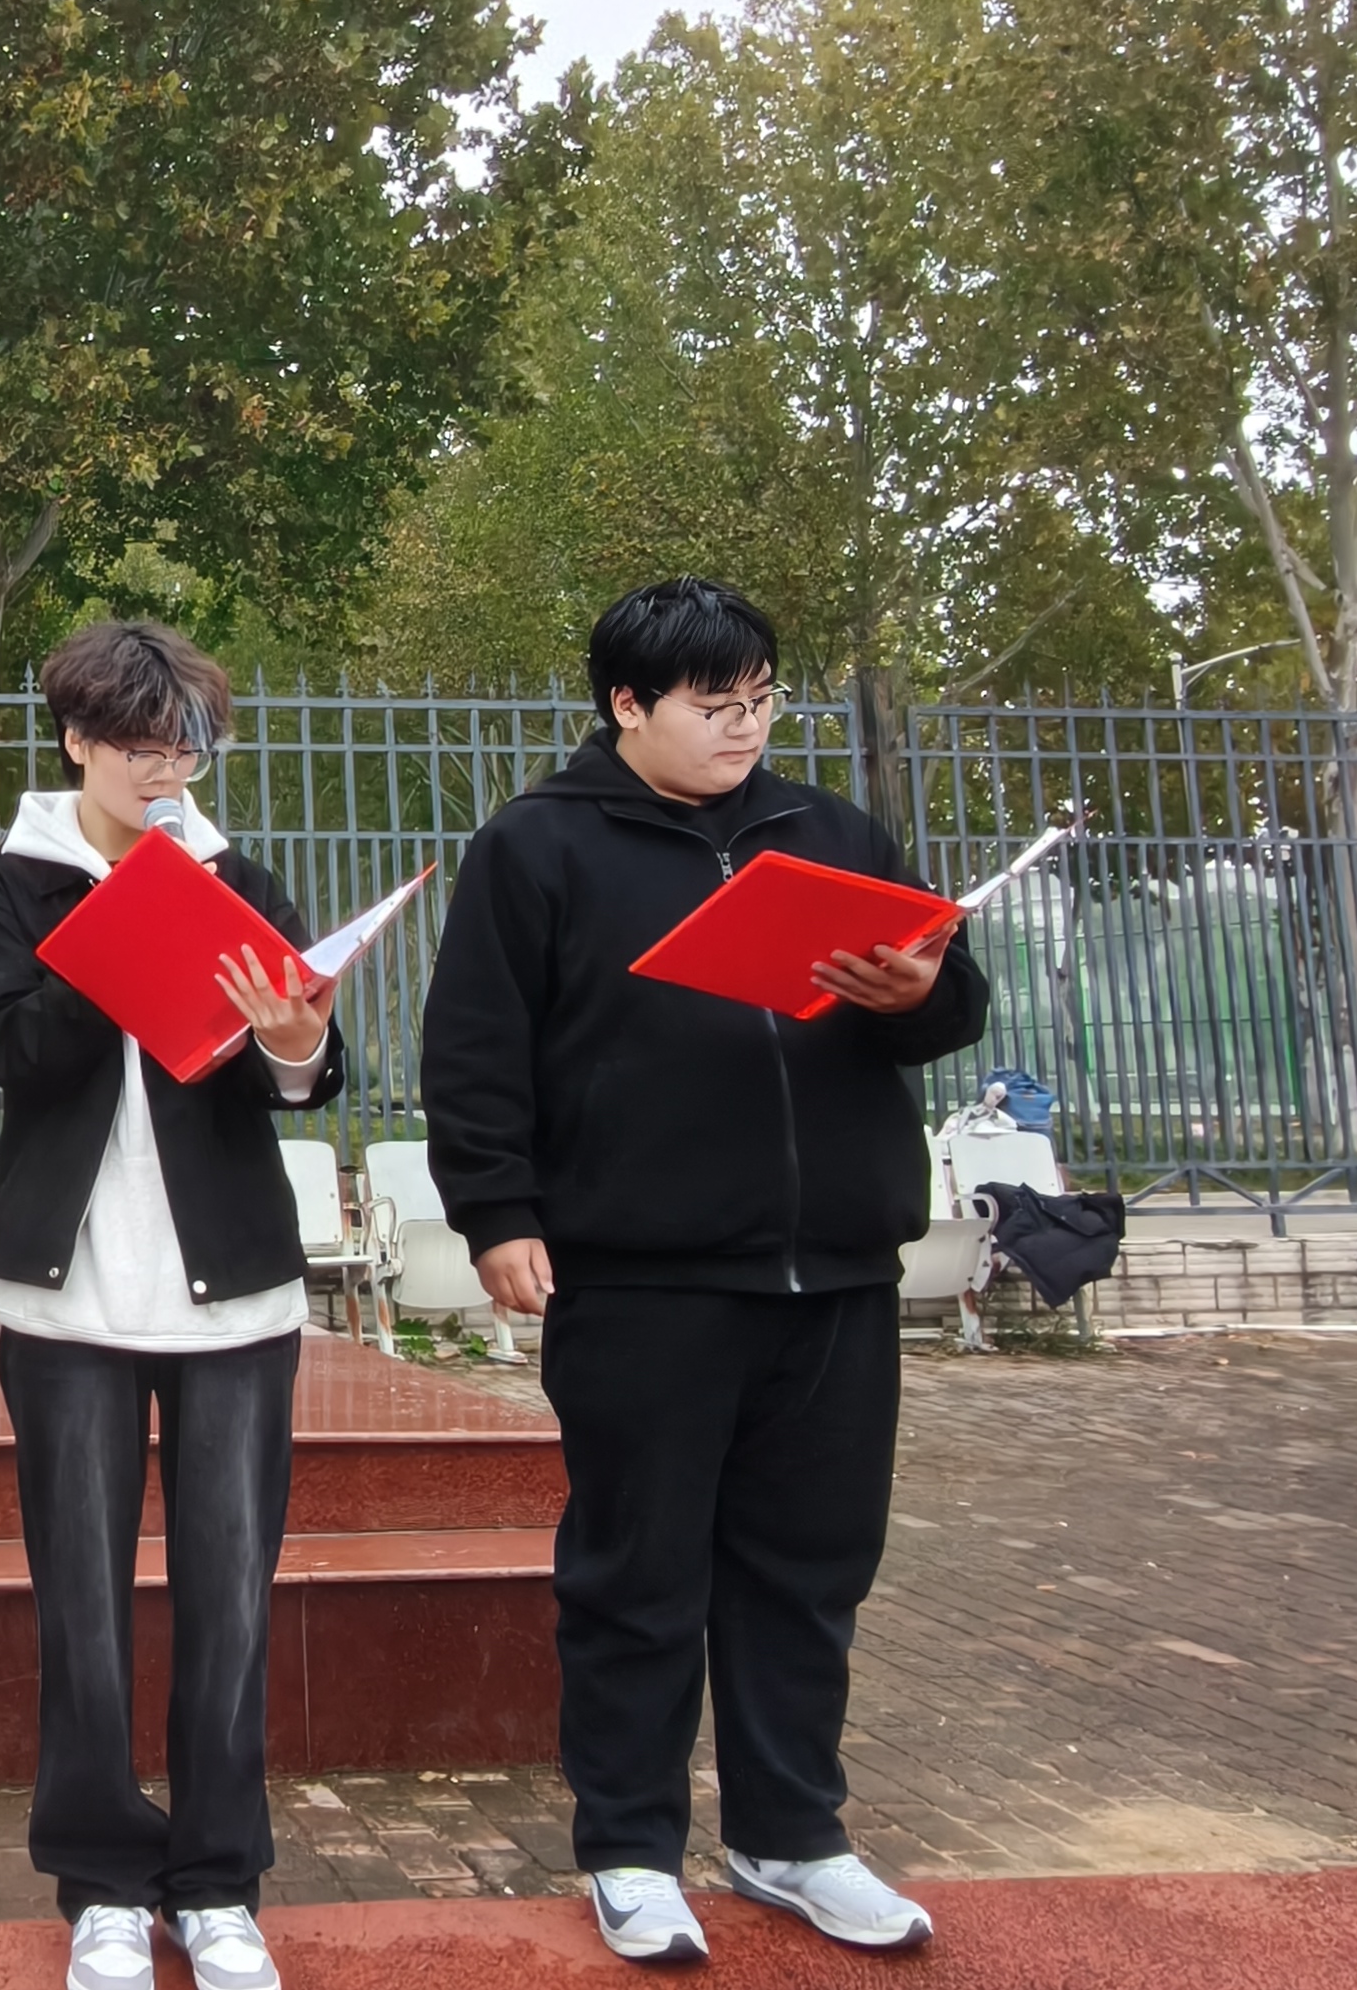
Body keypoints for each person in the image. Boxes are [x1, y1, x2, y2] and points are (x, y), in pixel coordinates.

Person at [419, 578, 987, 1965]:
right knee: (639, 1571)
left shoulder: (829, 836)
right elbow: (477, 1049)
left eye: (761, 700)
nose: (745, 728)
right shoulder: (539, 845)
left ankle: (794, 1837)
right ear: (627, 704)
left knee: (810, 1569)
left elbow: (943, 1006)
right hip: (642, 1277)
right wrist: (497, 1213)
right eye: (712, 704)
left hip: (835, 1271)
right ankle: (630, 1848)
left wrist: (928, 995)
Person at [0, 619, 344, 1990]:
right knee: (83, 1608)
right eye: (140, 745)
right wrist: (116, 940)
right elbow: (17, 1053)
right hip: (68, 1306)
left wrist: (296, 1042)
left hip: (233, 1303)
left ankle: (220, 1881)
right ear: (77, 740)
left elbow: (304, 1068)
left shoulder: (239, 876)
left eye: (185, 746)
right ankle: (105, 1885)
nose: (167, 770)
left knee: (231, 1602)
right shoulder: (13, 887)